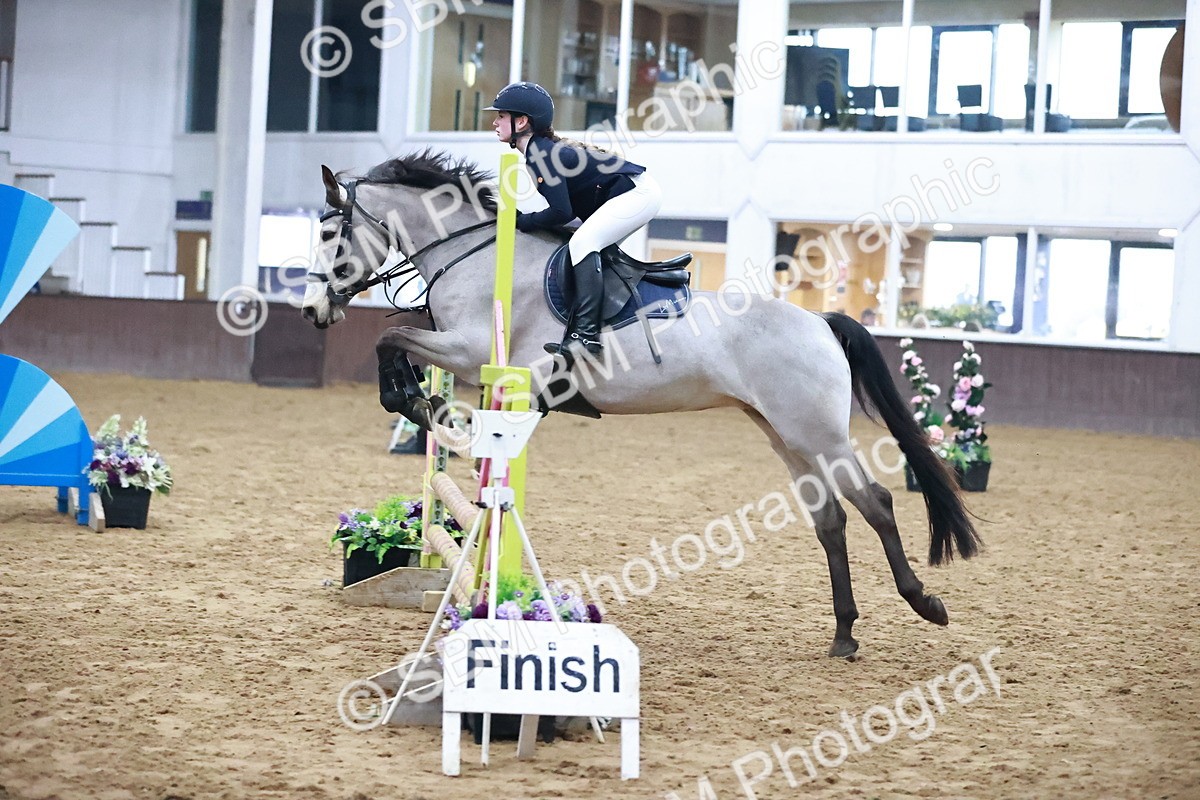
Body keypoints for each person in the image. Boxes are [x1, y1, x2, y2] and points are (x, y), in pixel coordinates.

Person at [485, 81, 662, 363]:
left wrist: (523, 221)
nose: (495, 122)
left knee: (583, 243)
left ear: (522, 121)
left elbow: (561, 212)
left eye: (501, 116)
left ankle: (586, 336)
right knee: (587, 247)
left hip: (637, 194)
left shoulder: (540, 154)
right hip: (633, 193)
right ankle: (599, 325)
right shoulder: (539, 151)